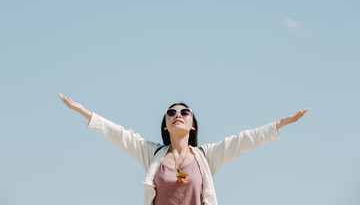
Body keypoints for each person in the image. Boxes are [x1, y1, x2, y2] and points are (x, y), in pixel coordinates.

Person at [58, 93, 309, 205]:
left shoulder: (206, 157)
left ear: (192, 125)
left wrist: (280, 124)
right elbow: (120, 134)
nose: (178, 115)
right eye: (171, 112)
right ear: (166, 125)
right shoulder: (152, 155)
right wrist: (85, 113)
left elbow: (243, 140)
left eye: (184, 112)